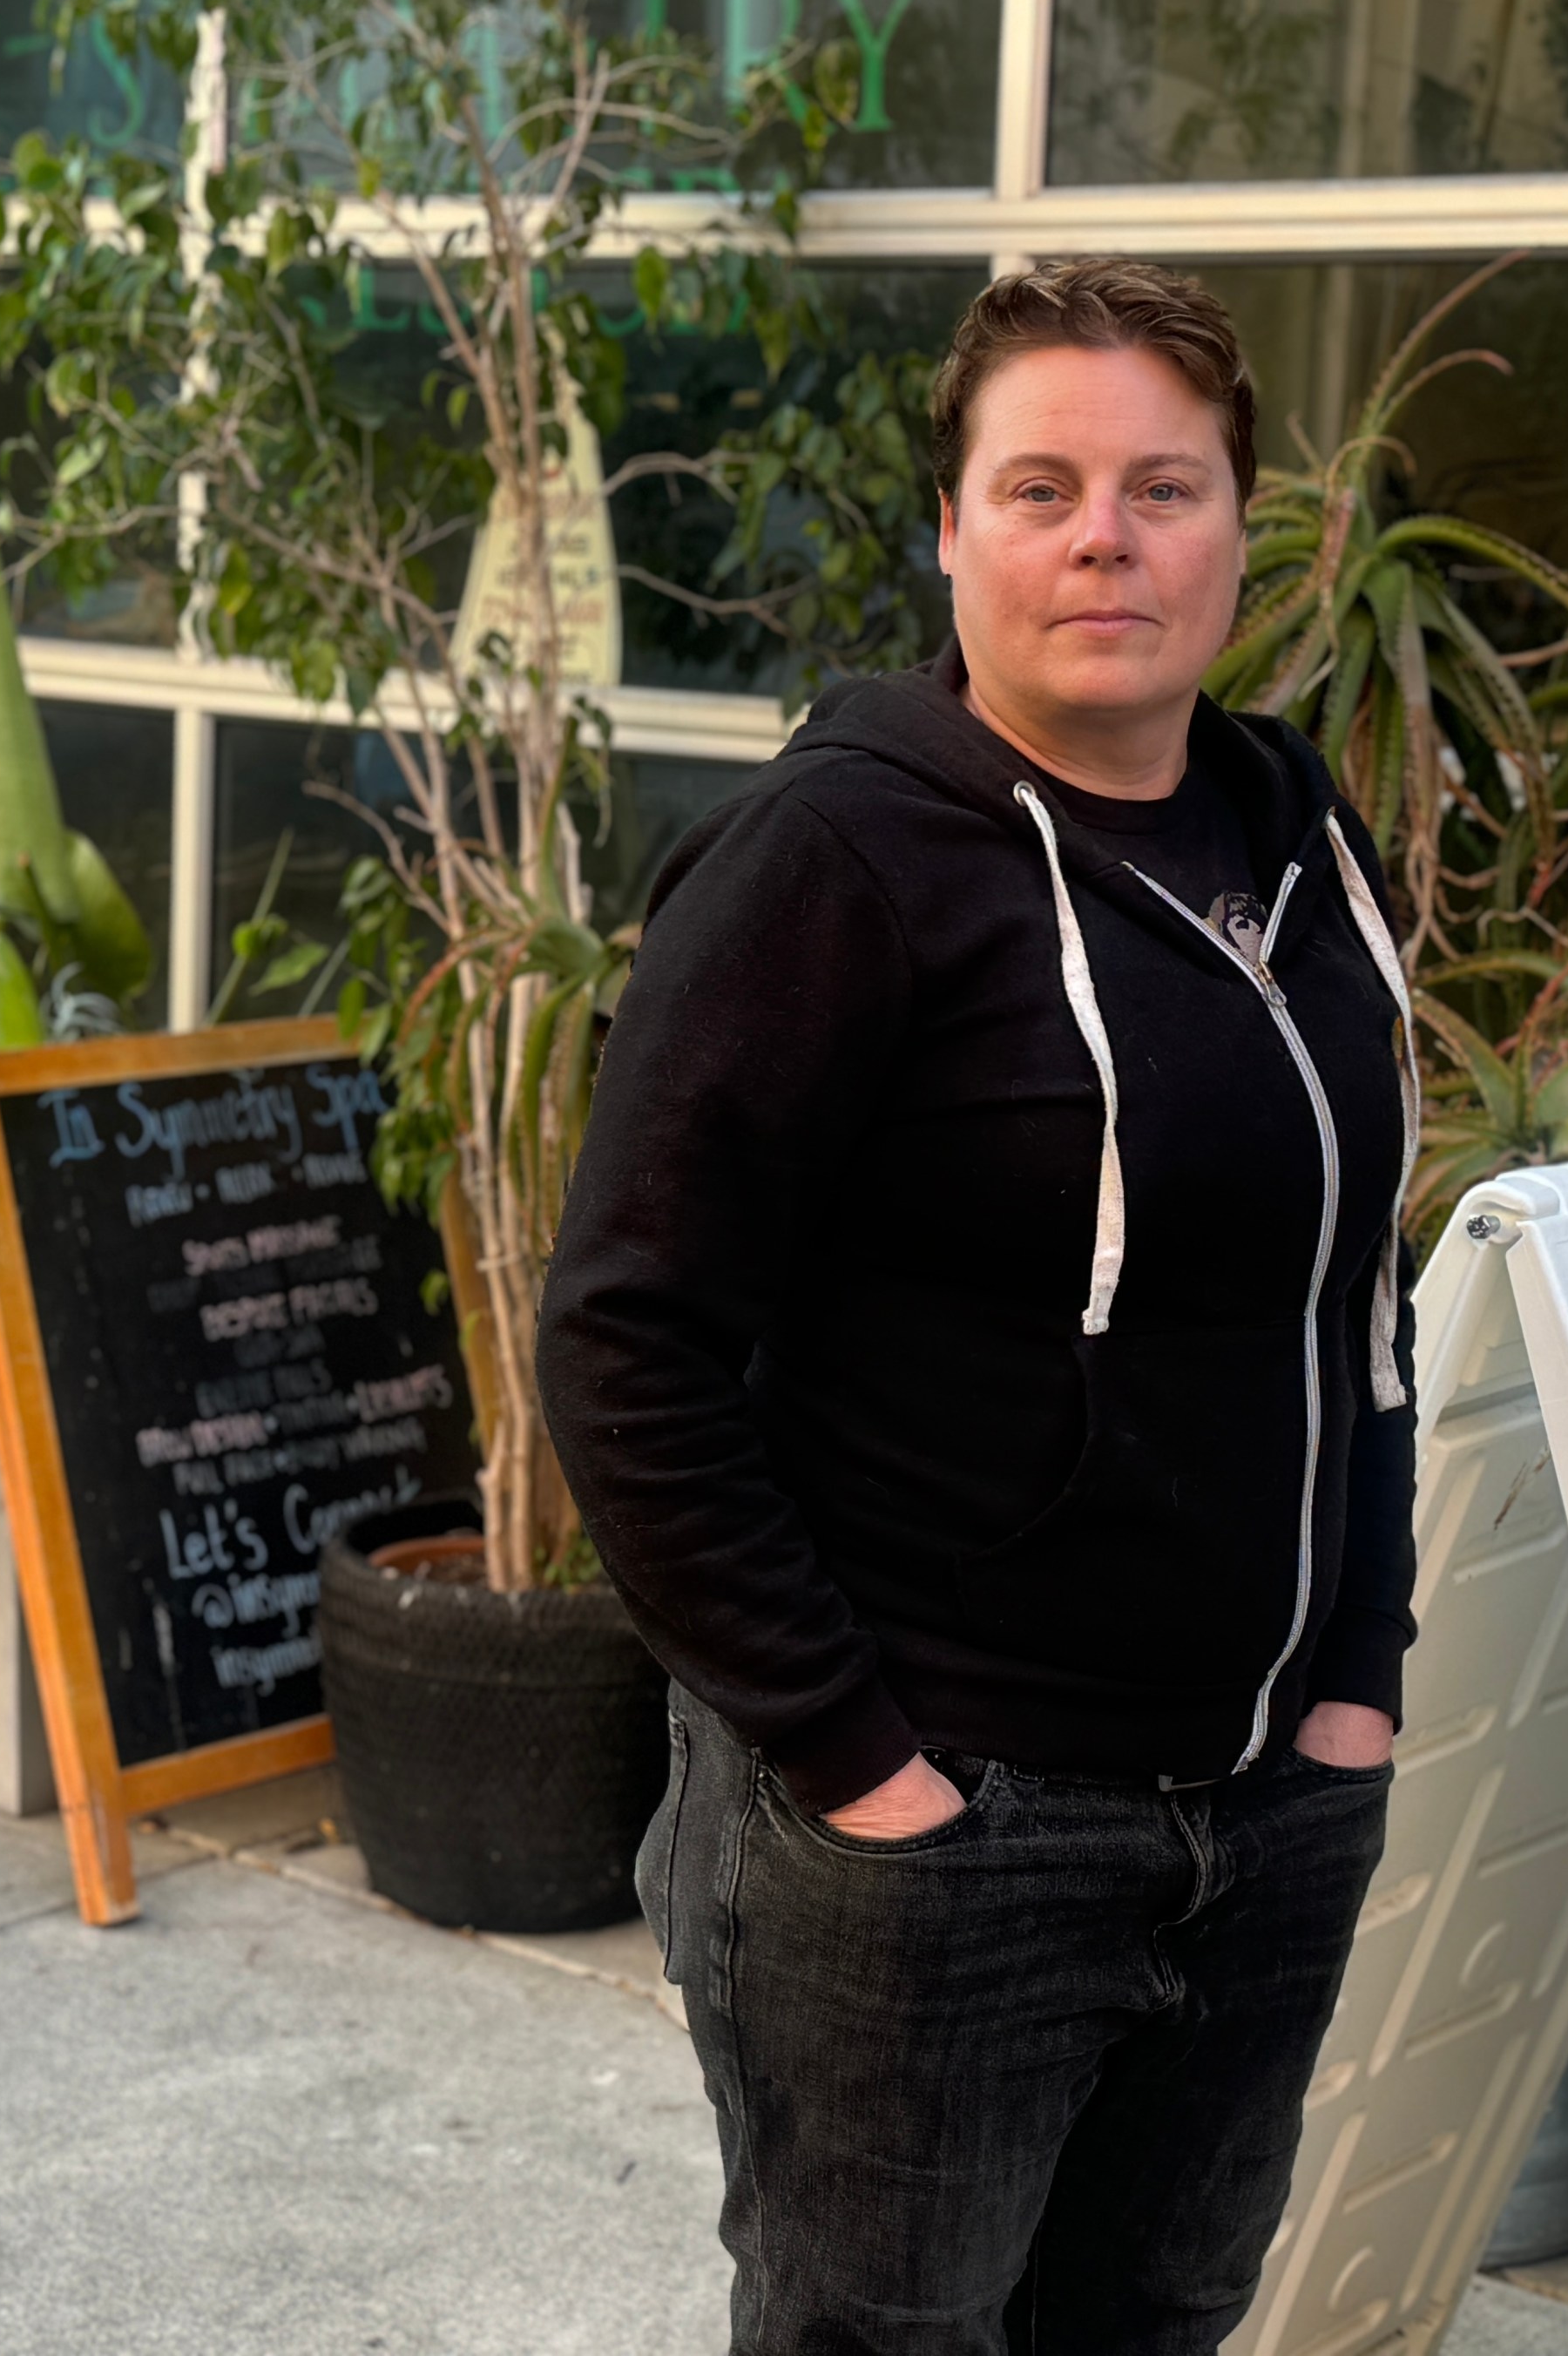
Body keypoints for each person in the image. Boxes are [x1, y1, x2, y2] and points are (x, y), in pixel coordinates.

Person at [537, 258, 1421, 2356]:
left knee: (1154, 2322)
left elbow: (1352, 1291)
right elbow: (626, 1342)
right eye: (1041, 487)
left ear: (1241, 526)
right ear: (951, 532)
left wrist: (1356, 1683)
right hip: (947, 1837)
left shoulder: (1295, 840)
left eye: (1165, 486)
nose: (1105, 537)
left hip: (1266, 1814)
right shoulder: (834, 865)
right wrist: (864, 1769)